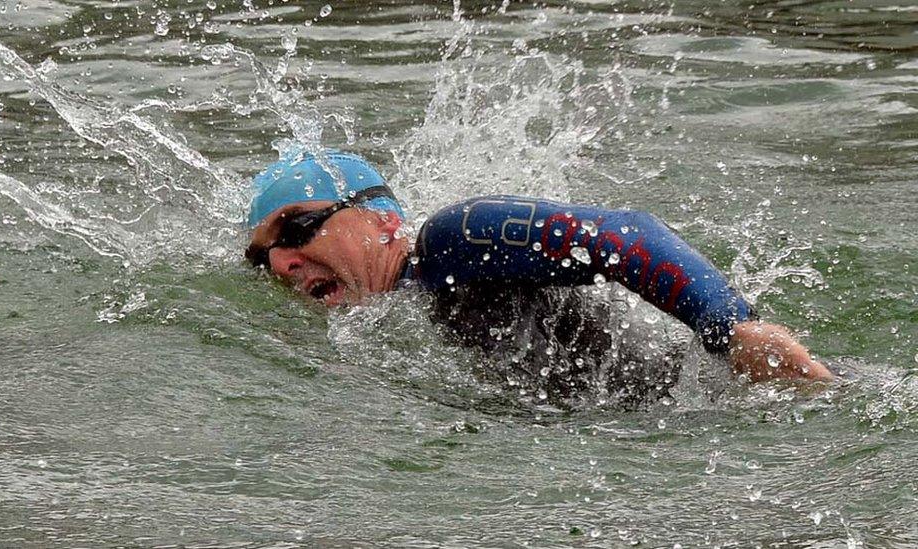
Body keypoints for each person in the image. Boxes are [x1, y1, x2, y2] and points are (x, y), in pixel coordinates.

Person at [245, 149, 833, 404]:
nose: (281, 263)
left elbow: (624, 234)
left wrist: (735, 332)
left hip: (731, 400)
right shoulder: (377, 326)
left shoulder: (451, 243)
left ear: (383, 219)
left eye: (296, 228)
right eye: (262, 255)